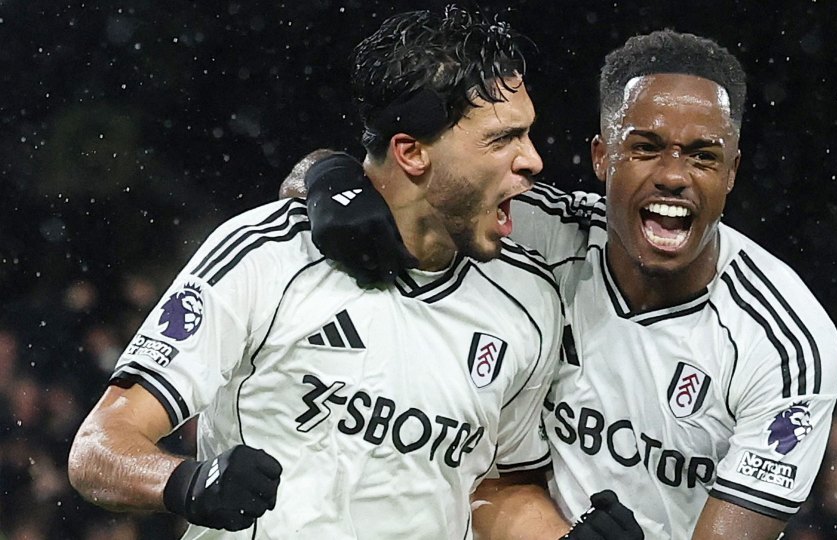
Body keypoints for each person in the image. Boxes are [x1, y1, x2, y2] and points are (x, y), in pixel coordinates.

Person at [67, 7, 640, 538]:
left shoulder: (529, 300)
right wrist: (186, 482)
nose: (533, 159)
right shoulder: (268, 255)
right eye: (502, 138)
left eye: (527, 132)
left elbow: (496, 484)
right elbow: (98, 448)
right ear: (412, 152)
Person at [295, 29, 837, 540]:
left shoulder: (786, 343)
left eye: (703, 156)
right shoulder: (535, 231)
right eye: (646, 147)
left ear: (732, 172)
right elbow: (389, 167)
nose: (674, 175)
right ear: (602, 156)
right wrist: (330, 182)